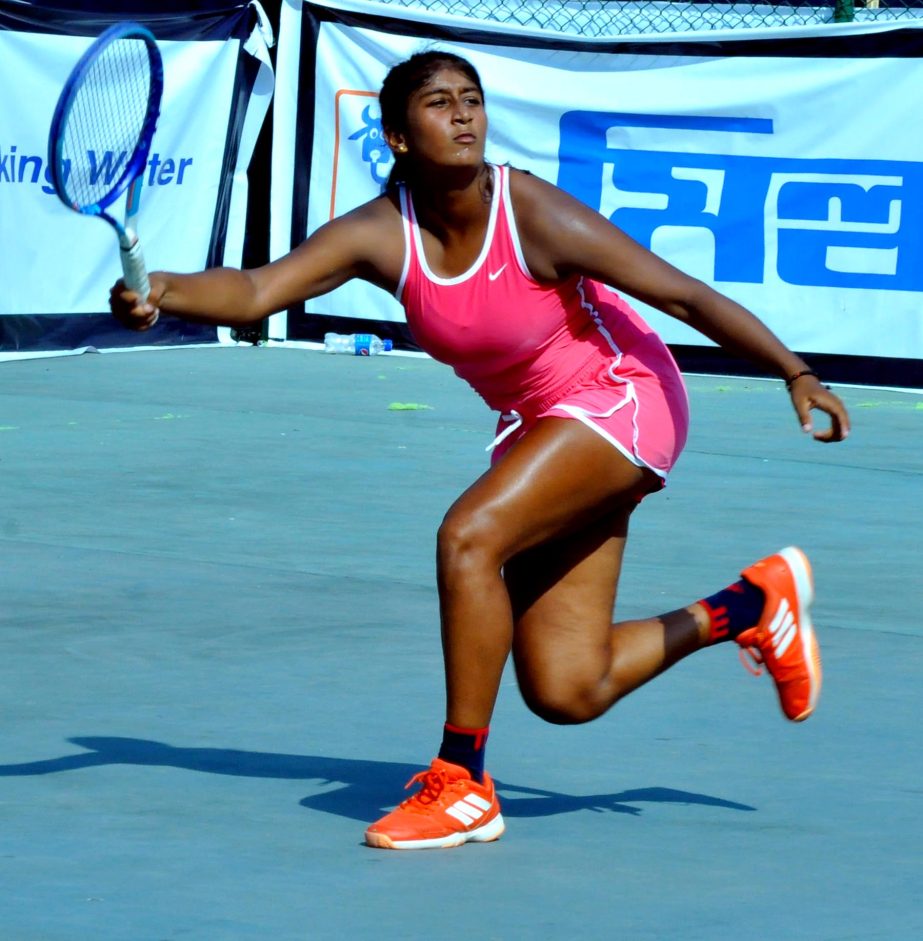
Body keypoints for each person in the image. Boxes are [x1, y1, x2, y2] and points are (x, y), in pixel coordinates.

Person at [110, 51, 851, 851]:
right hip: (541, 425)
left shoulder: (527, 210)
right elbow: (257, 290)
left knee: (470, 535)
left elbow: (678, 292)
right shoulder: (377, 233)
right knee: (568, 686)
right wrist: (165, 290)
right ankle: (748, 606)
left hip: (622, 395)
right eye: (438, 104)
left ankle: (461, 780)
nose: (463, 115)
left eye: (471, 100)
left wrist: (794, 372)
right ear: (396, 135)